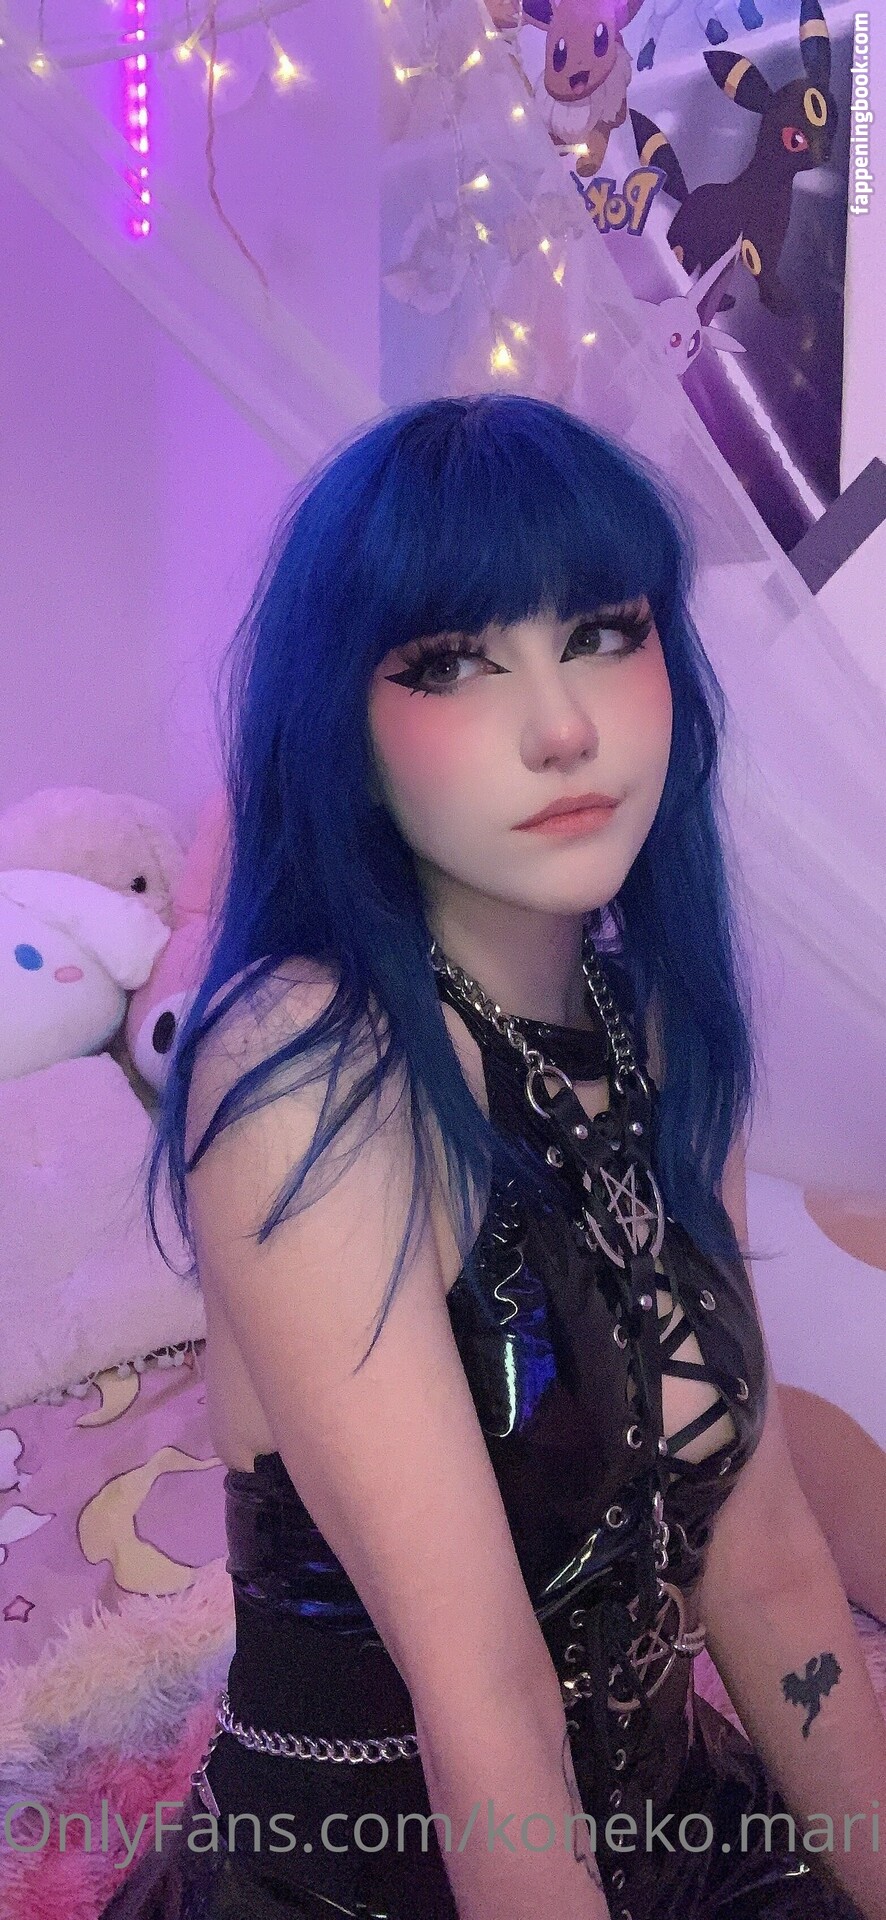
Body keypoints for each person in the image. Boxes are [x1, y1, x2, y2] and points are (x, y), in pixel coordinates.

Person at [101, 394, 886, 1920]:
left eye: (599, 632)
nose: (561, 726)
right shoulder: (302, 1065)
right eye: (455, 661)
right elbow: (488, 1698)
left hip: (668, 1825)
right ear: (343, 725)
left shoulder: (655, 1019)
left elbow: (763, 1559)